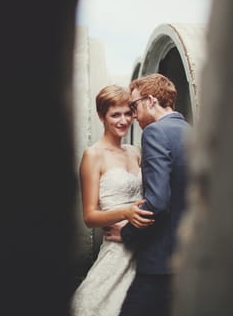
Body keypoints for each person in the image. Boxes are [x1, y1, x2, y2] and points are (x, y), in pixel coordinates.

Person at [104, 73, 191, 316]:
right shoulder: (190, 132)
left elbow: (158, 202)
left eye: (134, 106)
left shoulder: (155, 133)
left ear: (150, 100)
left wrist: (127, 232)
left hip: (159, 262)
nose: (132, 115)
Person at [70, 84, 155, 316]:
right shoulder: (93, 155)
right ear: (101, 117)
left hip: (143, 248)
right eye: (115, 115)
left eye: (128, 113)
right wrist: (125, 212)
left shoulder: (134, 152)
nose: (124, 120)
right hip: (116, 250)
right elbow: (89, 217)